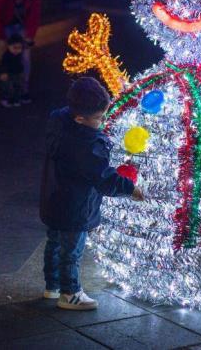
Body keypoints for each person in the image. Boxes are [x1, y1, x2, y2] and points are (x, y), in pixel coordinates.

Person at [40, 77, 145, 310]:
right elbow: (104, 178)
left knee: (54, 243)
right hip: (75, 206)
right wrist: (131, 188)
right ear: (80, 118)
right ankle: (71, 294)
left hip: (54, 198)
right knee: (72, 251)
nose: (103, 121)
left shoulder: (59, 122)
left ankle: (52, 286)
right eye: (99, 118)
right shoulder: (86, 145)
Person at [0, 0, 42, 103]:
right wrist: (1, 36)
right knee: (7, 58)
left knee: (25, 57)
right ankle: (7, 92)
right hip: (7, 27)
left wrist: (30, 36)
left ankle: (22, 90)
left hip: (22, 28)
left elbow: (34, 18)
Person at [0, 34, 25, 108]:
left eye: (19, 47)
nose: (17, 50)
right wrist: (3, 73)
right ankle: (5, 99)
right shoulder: (6, 55)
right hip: (9, 74)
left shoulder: (19, 54)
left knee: (18, 86)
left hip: (18, 73)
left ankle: (16, 99)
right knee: (8, 87)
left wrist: (21, 71)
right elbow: (3, 64)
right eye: (14, 47)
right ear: (8, 46)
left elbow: (20, 63)